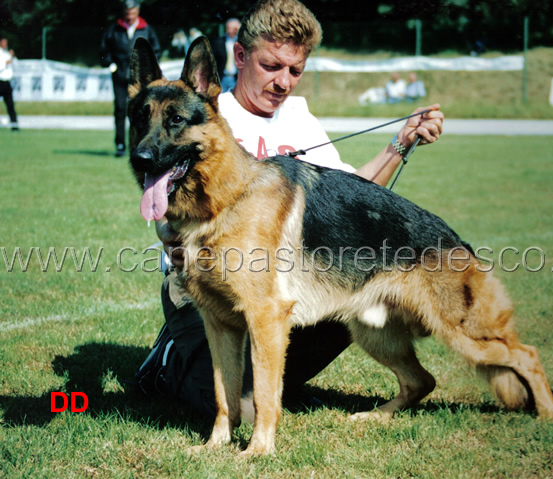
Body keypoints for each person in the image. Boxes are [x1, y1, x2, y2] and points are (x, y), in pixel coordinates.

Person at [134, 0, 444, 421]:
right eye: (271, 65)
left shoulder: (298, 116)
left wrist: (401, 143)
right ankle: (171, 357)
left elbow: (352, 200)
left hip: (278, 288)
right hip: (207, 289)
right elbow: (171, 228)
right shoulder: (206, 120)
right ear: (241, 57)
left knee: (343, 289)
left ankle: (274, 387)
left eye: (294, 71)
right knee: (222, 405)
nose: (283, 82)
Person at [100, 0, 161, 157]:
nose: (130, 15)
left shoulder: (146, 29)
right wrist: (110, 63)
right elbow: (103, 50)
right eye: (127, 13)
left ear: (137, 12)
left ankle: (139, 144)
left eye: (132, 12)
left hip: (141, 81)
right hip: (120, 76)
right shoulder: (114, 29)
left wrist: (150, 69)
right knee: (120, 109)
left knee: (141, 112)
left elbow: (157, 50)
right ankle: (120, 144)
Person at [212, 18, 241, 93]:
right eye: (229, 28)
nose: (231, 30)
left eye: (234, 28)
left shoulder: (241, 42)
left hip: (237, 78)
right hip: (222, 77)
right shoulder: (219, 42)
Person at [0, 36, 19, 131]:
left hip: (7, 83)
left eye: (6, 42)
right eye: (3, 42)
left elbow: (16, 66)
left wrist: (13, 57)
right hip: (0, 82)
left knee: (10, 104)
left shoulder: (8, 54)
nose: (5, 44)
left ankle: (14, 125)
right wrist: (6, 62)